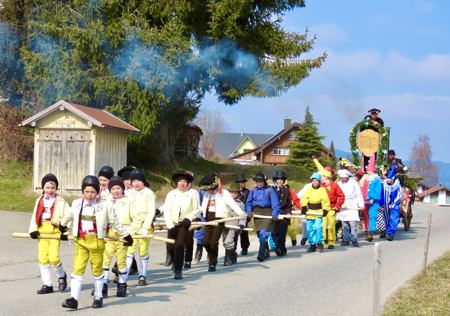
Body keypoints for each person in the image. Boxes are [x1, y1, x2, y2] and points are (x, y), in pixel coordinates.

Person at [59, 175, 133, 310]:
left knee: (97, 270)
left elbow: (114, 222)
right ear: (82, 191)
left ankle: (98, 296)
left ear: (98, 192)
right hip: (81, 241)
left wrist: (126, 235)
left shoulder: (105, 205)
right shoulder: (76, 204)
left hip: (97, 242)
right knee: (77, 270)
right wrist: (62, 226)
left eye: (93, 191)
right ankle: (73, 299)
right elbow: (69, 216)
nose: (89, 194)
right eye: (86, 191)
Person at [101, 176, 144, 297]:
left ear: (122, 188)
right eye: (113, 188)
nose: (116, 191)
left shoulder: (129, 201)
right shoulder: (106, 201)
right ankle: (102, 285)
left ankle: (122, 284)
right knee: (105, 259)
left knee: (121, 261)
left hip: (123, 234)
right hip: (109, 235)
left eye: (118, 188)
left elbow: (138, 218)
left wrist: (129, 232)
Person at [28, 174, 70, 294]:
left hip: (54, 231)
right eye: (47, 188)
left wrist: (64, 230)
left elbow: (69, 216)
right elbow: (34, 216)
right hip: (42, 231)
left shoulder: (61, 201)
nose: (50, 190)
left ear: (56, 188)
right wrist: (33, 230)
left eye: (53, 188)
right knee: (42, 258)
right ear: (43, 188)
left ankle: (61, 276)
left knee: (53, 257)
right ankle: (47, 284)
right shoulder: (39, 200)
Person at [200, 173, 246, 271]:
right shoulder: (206, 194)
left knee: (213, 242)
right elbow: (201, 207)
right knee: (205, 242)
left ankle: (212, 263)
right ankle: (211, 254)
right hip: (208, 219)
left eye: (209, 188)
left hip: (219, 219)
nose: (208, 190)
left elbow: (232, 204)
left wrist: (241, 214)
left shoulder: (223, 193)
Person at [163, 170, 199, 279]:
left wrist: (189, 218)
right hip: (172, 224)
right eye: (180, 181)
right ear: (176, 183)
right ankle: (174, 261)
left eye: (184, 181)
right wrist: (170, 225)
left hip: (184, 224)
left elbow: (197, 209)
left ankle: (178, 270)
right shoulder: (171, 194)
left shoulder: (192, 194)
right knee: (170, 247)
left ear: (188, 183)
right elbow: (166, 210)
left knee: (179, 246)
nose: (182, 183)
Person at [127, 168, 156, 286]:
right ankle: (123, 276)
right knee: (129, 249)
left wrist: (146, 226)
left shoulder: (149, 193)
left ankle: (142, 275)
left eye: (139, 180)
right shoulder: (129, 193)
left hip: (145, 225)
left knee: (143, 250)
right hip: (132, 225)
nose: (136, 183)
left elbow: (151, 211)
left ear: (143, 181)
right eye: (134, 181)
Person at [245, 172, 280, 262]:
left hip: (267, 213)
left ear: (264, 181)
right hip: (257, 213)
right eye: (257, 181)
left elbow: (275, 203)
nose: (259, 183)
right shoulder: (253, 190)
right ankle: (266, 251)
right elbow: (248, 202)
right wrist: (249, 211)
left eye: (260, 181)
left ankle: (261, 254)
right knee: (260, 235)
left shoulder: (270, 190)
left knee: (263, 234)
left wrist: (275, 213)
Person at [313, 157, 345, 249]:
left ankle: (331, 241)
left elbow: (342, 196)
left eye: (322, 176)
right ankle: (322, 241)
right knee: (321, 226)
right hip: (322, 208)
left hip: (332, 208)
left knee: (331, 226)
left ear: (326, 176)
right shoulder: (320, 186)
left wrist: (337, 206)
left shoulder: (334, 185)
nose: (320, 178)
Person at [300, 172, 331, 253]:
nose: (315, 182)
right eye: (313, 180)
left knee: (318, 227)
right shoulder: (309, 189)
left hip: (318, 212)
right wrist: (303, 207)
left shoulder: (322, 190)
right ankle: (312, 244)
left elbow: (325, 201)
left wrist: (325, 209)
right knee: (309, 229)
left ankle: (319, 243)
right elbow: (304, 198)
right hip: (310, 212)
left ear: (319, 182)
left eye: (316, 181)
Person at [336, 169, 365, 247]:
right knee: (344, 224)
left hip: (352, 204)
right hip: (343, 205)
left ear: (347, 177)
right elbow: (337, 195)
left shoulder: (353, 183)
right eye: (341, 178)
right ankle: (346, 239)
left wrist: (361, 204)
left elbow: (358, 194)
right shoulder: (338, 184)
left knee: (352, 223)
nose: (342, 179)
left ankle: (354, 239)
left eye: (344, 178)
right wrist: (338, 204)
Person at [271, 171, 292, 256]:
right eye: (277, 180)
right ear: (275, 181)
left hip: (283, 214)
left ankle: (281, 249)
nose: (279, 182)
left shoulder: (287, 191)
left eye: (281, 180)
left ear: (284, 181)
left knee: (282, 233)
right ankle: (278, 247)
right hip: (274, 214)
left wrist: (288, 213)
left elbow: (289, 204)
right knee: (274, 233)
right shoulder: (271, 190)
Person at [380, 166, 402, 241]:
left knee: (393, 218)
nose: (388, 180)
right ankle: (387, 230)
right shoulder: (384, 185)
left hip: (394, 206)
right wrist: (381, 204)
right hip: (385, 205)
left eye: (389, 179)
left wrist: (393, 204)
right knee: (386, 218)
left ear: (392, 179)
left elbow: (398, 196)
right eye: (387, 178)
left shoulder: (397, 186)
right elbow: (382, 195)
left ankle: (390, 233)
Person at [228, 182, 246, 264]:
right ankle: (232, 255)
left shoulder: (241, 204)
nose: (233, 194)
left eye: (235, 192)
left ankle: (229, 258)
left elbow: (243, 215)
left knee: (233, 242)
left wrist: (242, 224)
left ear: (238, 193)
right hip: (225, 224)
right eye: (232, 192)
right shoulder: (225, 202)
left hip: (235, 225)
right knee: (226, 242)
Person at [366, 154, 383, 241]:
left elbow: (378, 194)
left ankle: (371, 233)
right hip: (366, 201)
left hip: (374, 202)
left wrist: (371, 197)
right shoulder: (368, 179)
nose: (367, 171)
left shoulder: (377, 181)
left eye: (368, 170)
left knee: (372, 216)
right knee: (367, 216)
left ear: (371, 171)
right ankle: (368, 230)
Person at [234, 174, 251, 255]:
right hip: (235, 215)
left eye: (243, 182)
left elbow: (249, 203)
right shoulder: (234, 192)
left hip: (244, 214)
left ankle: (245, 247)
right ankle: (233, 248)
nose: (242, 184)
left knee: (244, 231)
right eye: (240, 182)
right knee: (234, 231)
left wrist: (248, 213)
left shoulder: (247, 192)